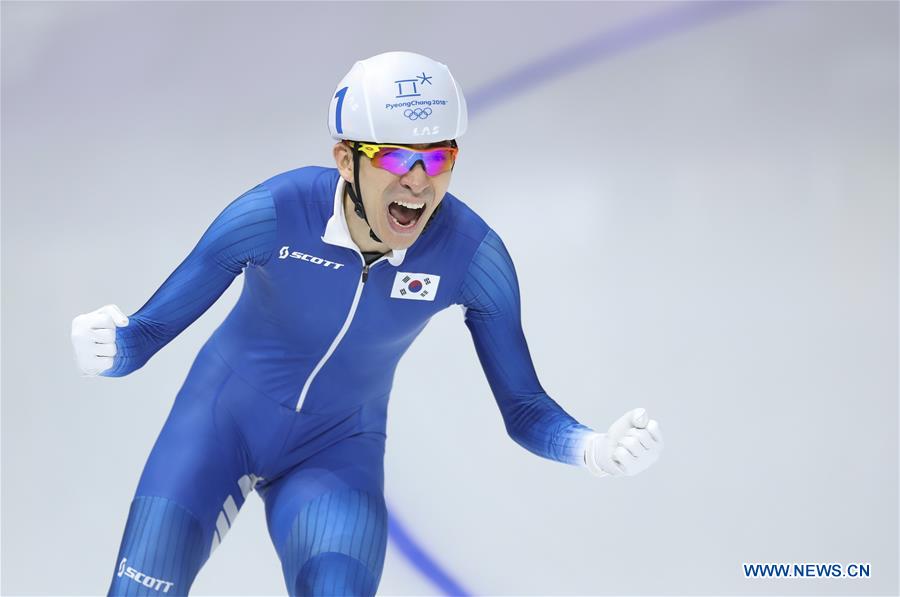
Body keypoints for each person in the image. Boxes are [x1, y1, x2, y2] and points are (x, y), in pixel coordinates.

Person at [70, 51, 664, 597]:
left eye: (439, 156)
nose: (419, 179)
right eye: (397, 157)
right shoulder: (275, 213)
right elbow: (144, 335)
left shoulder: (472, 256)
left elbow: (524, 407)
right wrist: (111, 347)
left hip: (337, 453)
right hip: (217, 425)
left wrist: (591, 447)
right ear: (345, 160)